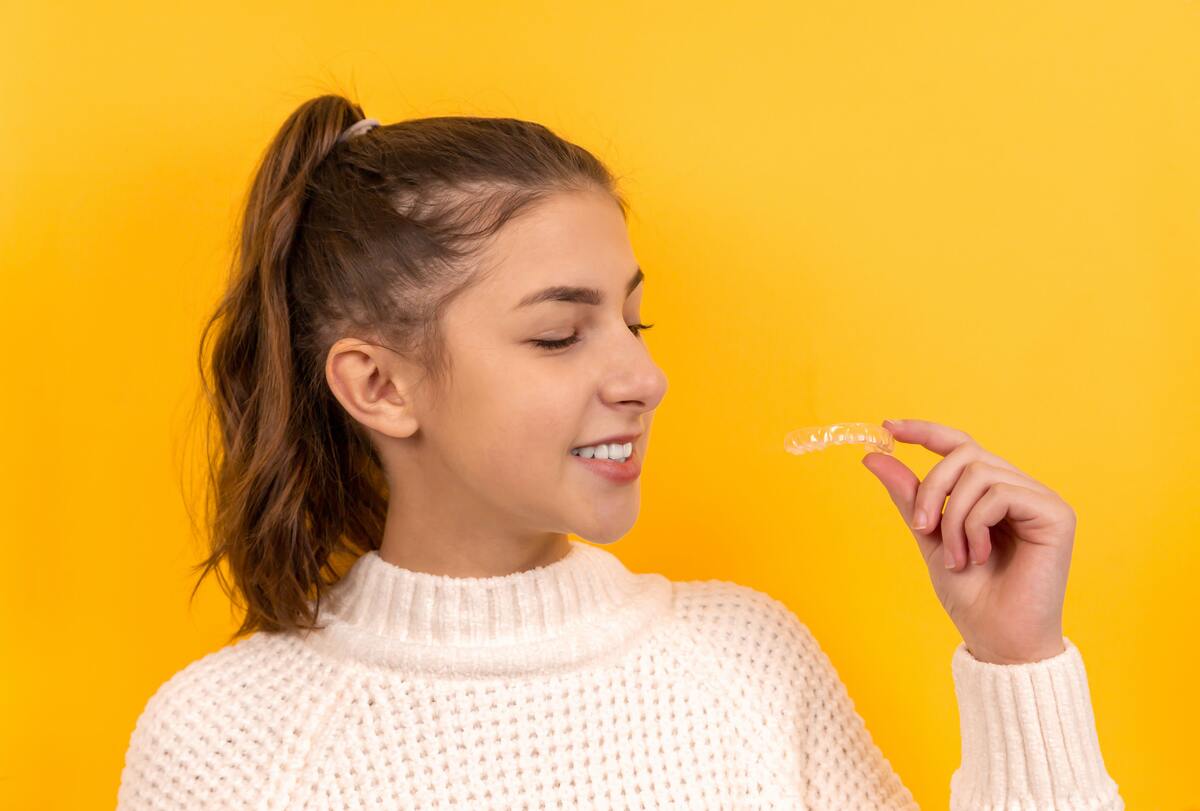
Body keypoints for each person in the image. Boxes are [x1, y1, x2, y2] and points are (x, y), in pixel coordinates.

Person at [116, 94, 1123, 809]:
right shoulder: (226, 740)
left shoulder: (747, 663)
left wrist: (1019, 661)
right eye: (560, 334)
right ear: (378, 384)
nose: (643, 379)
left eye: (634, 326)